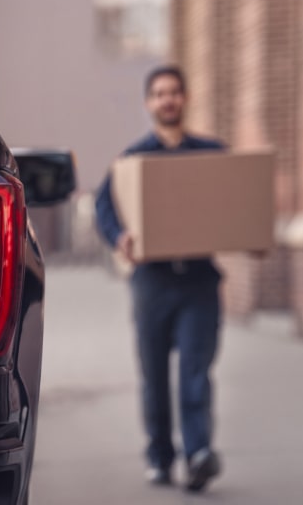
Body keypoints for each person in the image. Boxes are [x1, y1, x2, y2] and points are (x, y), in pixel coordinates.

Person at [94, 65, 223, 493]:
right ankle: (160, 456)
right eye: (159, 93)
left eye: (174, 92)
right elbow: (104, 207)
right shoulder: (133, 161)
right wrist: (120, 237)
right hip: (153, 282)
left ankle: (199, 452)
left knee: (194, 371)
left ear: (185, 99)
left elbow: (237, 200)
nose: (167, 99)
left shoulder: (211, 156)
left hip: (200, 281)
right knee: (154, 376)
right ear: (150, 103)